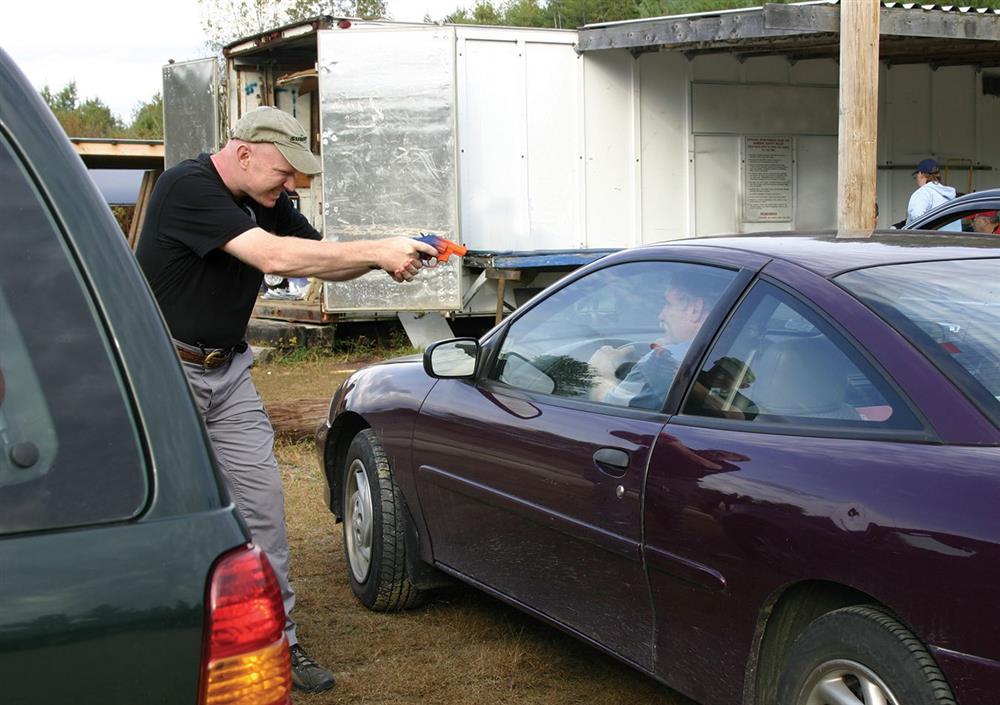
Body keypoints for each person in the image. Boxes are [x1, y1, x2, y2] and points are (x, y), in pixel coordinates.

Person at [135, 106, 439, 693]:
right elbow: (275, 259)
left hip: (228, 375)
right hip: (164, 374)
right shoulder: (187, 187)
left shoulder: (269, 202)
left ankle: (280, 642)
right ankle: (163, 644)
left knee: (264, 511)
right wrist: (377, 248)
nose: (293, 183)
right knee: (171, 515)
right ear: (244, 152)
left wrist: (396, 253)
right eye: (286, 170)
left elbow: (323, 262)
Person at [588, 269, 728, 410]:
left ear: (695, 309)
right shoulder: (728, 351)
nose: (661, 315)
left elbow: (610, 405)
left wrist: (600, 374)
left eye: (668, 304)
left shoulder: (660, 362)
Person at [905, 158, 959, 230]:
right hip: (953, 238)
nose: (917, 178)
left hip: (930, 239)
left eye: (917, 175)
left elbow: (917, 220)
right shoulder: (950, 194)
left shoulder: (923, 193)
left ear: (920, 173)